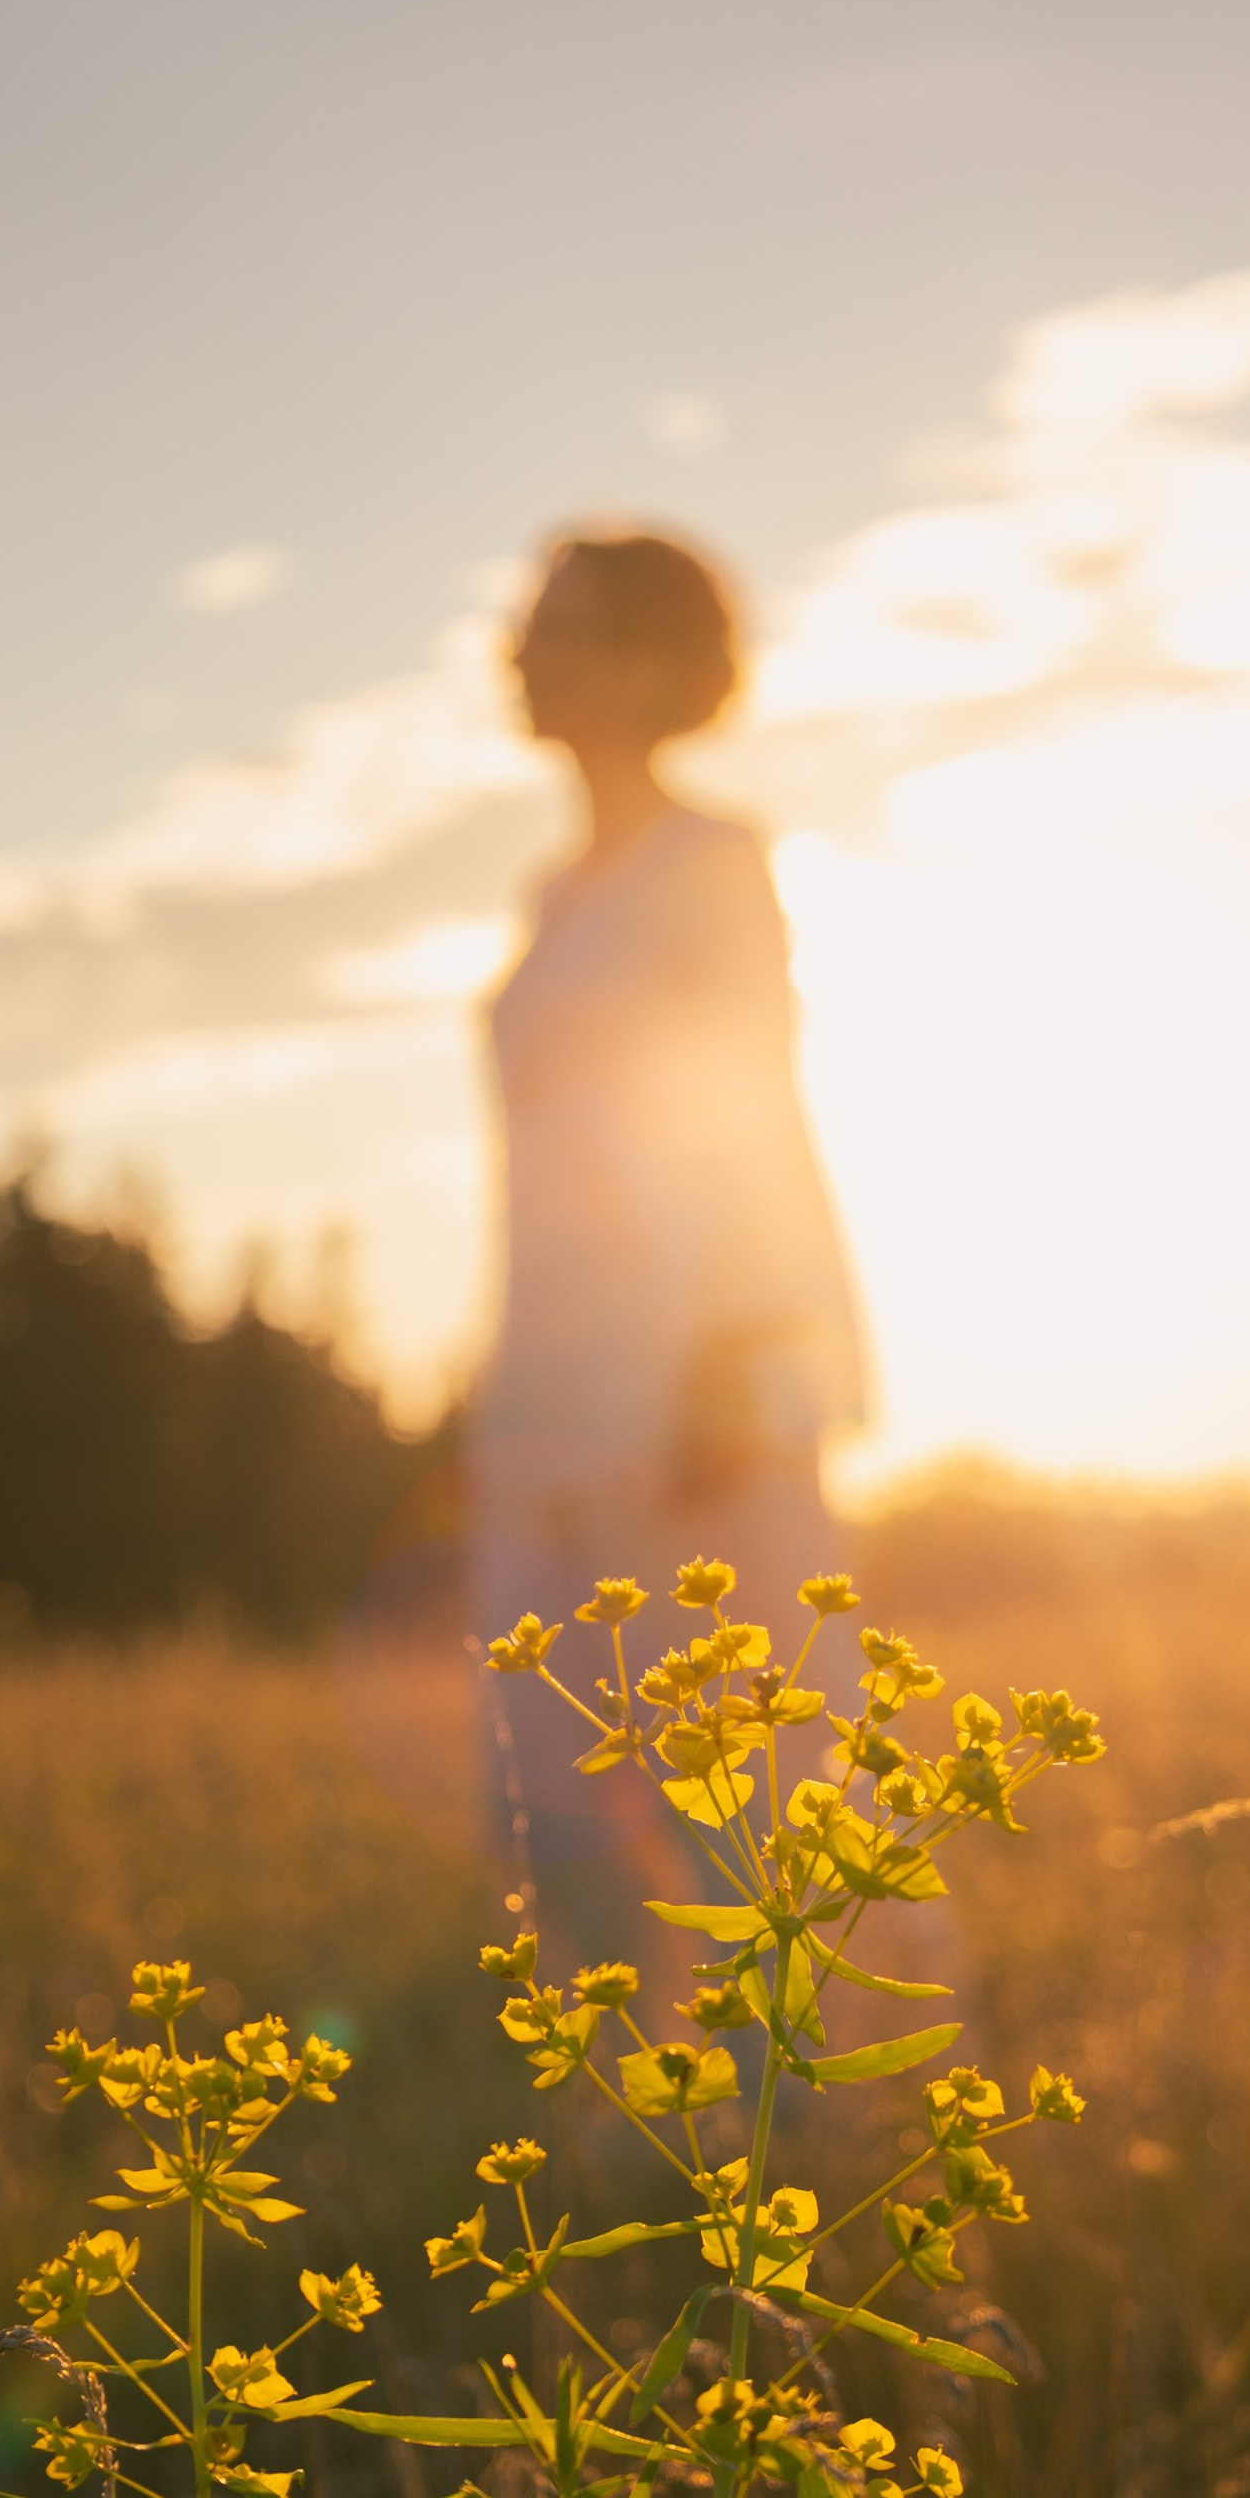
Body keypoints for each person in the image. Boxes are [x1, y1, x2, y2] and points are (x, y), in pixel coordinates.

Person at [473, 527, 864, 1957]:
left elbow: (743, 1107)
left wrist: (733, 1355)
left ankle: (831, 2137)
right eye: (524, 627)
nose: (521, 655)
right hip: (545, 1385)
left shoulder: (711, 863)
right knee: (553, 1780)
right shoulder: (549, 895)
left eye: (559, 628)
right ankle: (622, 2146)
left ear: (651, 666)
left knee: (747, 1785)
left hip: (696, 1377)